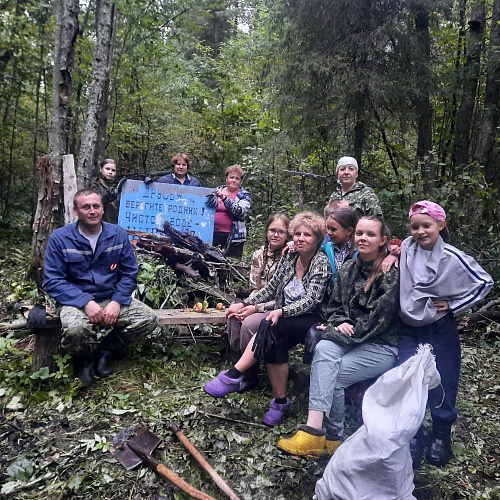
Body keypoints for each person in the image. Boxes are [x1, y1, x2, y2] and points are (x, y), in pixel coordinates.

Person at [277, 216, 400, 458]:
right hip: (347, 338)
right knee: (324, 350)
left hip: (380, 345)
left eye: (371, 234)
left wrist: (334, 330)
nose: (363, 238)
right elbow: (334, 308)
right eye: (360, 233)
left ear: (382, 240)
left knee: (332, 372)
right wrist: (339, 322)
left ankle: (332, 436)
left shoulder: (390, 272)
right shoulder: (349, 268)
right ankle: (317, 433)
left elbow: (378, 322)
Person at [204, 212, 331, 426]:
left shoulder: (320, 262)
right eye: (297, 234)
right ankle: (280, 402)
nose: (300, 238)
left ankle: (234, 374)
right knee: (274, 337)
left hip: (313, 318)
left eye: (307, 235)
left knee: (272, 325)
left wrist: (281, 312)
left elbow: (312, 300)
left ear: (317, 239)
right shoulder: (290, 257)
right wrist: (245, 303)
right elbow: (271, 289)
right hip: (285, 318)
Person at [398, 201, 493, 468]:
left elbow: (484, 282)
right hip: (408, 323)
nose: (420, 232)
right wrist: (393, 253)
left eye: (426, 225)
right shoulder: (406, 248)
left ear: (440, 225)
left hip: (439, 324)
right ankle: (413, 433)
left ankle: (441, 433)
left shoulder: (452, 256)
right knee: (408, 376)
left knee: (444, 377)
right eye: (415, 226)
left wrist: (454, 305)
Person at [43, 190, 158, 387]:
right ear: (76, 211)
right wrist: (85, 302)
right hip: (74, 301)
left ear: (103, 209)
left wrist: (117, 301)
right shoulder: (60, 238)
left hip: (109, 297)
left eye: (96, 206)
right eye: (86, 207)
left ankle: (105, 351)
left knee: (148, 319)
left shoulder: (117, 234)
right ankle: (83, 358)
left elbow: (129, 273)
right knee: (75, 330)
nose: (92, 211)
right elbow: (53, 281)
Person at [226, 214, 290, 390]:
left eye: (281, 232)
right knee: (233, 316)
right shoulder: (258, 254)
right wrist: (246, 306)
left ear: (287, 235)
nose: (275, 235)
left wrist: (254, 309)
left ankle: (250, 376)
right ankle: (236, 366)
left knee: (249, 324)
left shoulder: (290, 257)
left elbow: (283, 297)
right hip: (257, 302)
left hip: (277, 307)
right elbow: (255, 288)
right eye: (272, 230)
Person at [212, 165, 252, 258]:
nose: (234, 180)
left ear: (240, 181)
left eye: (237, 178)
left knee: (232, 263)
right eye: (231, 177)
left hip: (234, 237)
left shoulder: (244, 195)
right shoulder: (216, 191)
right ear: (226, 178)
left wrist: (224, 198)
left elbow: (239, 210)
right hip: (213, 234)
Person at [90, 159, 120, 224]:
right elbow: (98, 200)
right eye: (107, 169)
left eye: (113, 170)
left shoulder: (118, 185)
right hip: (100, 222)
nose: (110, 172)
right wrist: (112, 193)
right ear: (101, 169)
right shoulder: (95, 183)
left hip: (117, 222)